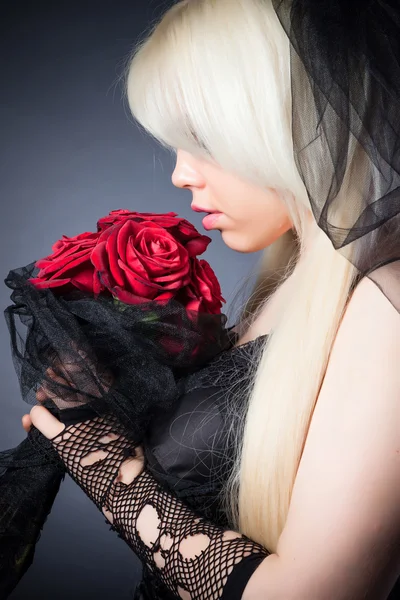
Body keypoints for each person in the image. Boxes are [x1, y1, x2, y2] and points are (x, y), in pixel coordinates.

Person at [20, 0, 400, 598]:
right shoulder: (293, 282)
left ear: (285, 125)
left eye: (201, 139)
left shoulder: (386, 306)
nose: (180, 175)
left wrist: (107, 468)